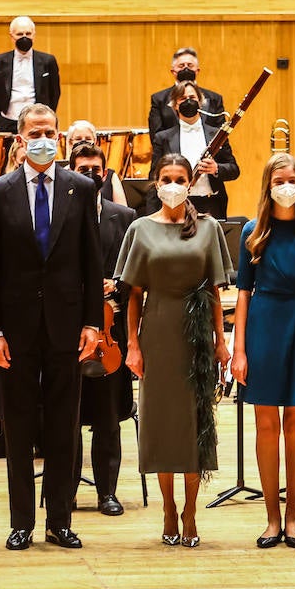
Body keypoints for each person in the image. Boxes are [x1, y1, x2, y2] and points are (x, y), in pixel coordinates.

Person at [0, 103, 101, 551]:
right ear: (20, 140)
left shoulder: (80, 188)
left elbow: (91, 260)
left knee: (64, 426)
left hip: (68, 325)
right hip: (14, 330)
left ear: (60, 137)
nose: (43, 139)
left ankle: (60, 520)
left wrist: (92, 322)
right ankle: (21, 521)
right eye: (35, 132)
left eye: (50, 131)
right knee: (19, 427)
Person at [120, 152, 231, 548]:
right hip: (158, 330)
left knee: (193, 425)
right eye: (165, 177)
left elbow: (217, 291)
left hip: (197, 334)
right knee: (161, 424)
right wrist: (132, 345)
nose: (172, 184)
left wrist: (221, 341)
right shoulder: (139, 229)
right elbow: (133, 295)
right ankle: (168, 507)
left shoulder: (208, 227)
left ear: (190, 182)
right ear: (155, 183)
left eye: (179, 177)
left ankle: (190, 511)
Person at [231, 152, 295, 549]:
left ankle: (293, 516)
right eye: (278, 181)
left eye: (291, 179)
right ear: (268, 186)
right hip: (263, 322)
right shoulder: (252, 231)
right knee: (265, 425)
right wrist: (238, 349)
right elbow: (242, 293)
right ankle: (271, 518)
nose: (286, 187)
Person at [68, 142, 136, 516]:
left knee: (108, 419)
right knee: (70, 417)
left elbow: (135, 271)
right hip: (71, 330)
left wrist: (116, 286)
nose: (90, 174)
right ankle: (67, 492)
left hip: (112, 332)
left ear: (105, 173)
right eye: (83, 168)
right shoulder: (59, 214)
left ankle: (107, 492)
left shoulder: (123, 216)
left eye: (96, 168)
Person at [149, 81, 240, 220]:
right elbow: (154, 176)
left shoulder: (217, 134)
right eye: (183, 99)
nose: (188, 101)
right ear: (175, 106)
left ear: (200, 102)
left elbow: (234, 170)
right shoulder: (163, 138)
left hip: (212, 204)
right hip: (177, 204)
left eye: (192, 98)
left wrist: (216, 169)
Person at [0, 16, 61, 133]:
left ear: (34, 35)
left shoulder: (48, 60)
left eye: (28, 33)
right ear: (11, 36)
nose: (24, 37)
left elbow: (55, 92)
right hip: (7, 119)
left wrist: (46, 115)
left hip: (37, 120)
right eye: (19, 34)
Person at [147, 47, 225, 134]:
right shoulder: (159, 99)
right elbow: (156, 134)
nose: (186, 68)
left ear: (197, 70)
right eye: (181, 66)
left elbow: (221, 133)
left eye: (190, 65)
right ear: (173, 71)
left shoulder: (215, 98)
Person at [66, 120, 127, 207]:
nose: (83, 142)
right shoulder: (62, 174)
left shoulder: (110, 176)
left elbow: (123, 211)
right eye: (78, 139)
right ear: (70, 142)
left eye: (88, 139)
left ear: (95, 141)